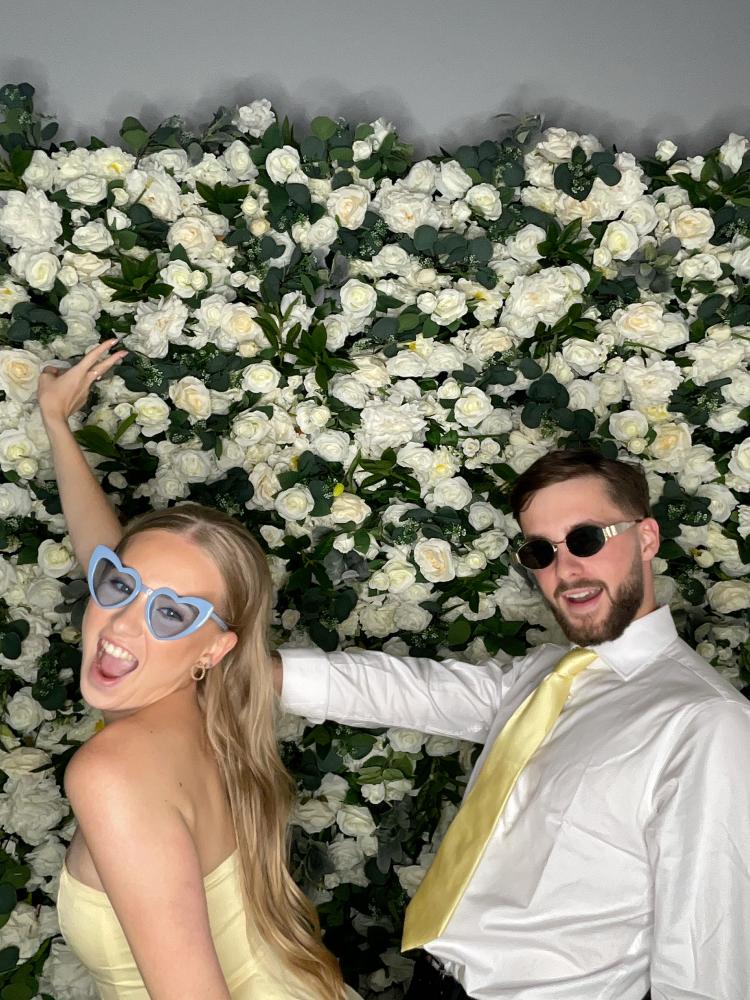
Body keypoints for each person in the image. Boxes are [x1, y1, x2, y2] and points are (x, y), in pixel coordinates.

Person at [277, 448, 750, 1000]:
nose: (565, 570)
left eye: (586, 539)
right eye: (540, 551)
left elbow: (706, 958)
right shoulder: (547, 674)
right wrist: (256, 673)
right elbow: (415, 691)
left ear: (646, 538)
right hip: (432, 980)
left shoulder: (707, 722)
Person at [37, 341, 359, 1000]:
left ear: (213, 649)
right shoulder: (215, 716)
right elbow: (113, 562)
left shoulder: (112, 773)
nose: (122, 625)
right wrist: (56, 425)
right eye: (119, 587)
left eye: (172, 615)